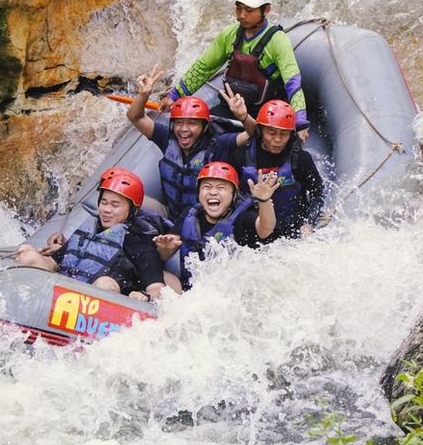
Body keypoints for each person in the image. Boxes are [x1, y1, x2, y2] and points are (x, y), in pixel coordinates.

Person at [157, 0, 310, 144]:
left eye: (249, 10)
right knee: (202, 138)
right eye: (238, 8)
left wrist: (300, 121)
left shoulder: (278, 41)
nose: (242, 15)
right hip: (230, 108)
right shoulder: (229, 34)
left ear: (266, 10)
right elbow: (203, 68)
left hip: (264, 113)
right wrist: (175, 95)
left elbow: (292, 82)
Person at [127, 64, 257, 222]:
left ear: (204, 127)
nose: (184, 129)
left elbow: (253, 133)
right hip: (171, 215)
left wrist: (243, 116)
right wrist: (143, 95)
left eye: (192, 123)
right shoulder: (166, 138)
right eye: (179, 123)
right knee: (124, 198)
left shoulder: (219, 144)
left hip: (203, 220)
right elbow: (135, 117)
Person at [15, 168, 166, 302]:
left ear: (133, 210)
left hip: (96, 312)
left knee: (105, 284)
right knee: (27, 256)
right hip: (61, 297)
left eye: (115, 205)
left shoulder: (140, 247)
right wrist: (33, 255)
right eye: (104, 202)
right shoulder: (88, 231)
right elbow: (54, 263)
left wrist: (144, 296)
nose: (107, 209)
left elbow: (157, 289)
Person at [154, 162, 280, 290]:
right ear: (199, 193)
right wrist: (165, 249)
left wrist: (264, 201)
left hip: (230, 292)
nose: (213, 192)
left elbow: (265, 229)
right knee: (158, 276)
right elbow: (166, 252)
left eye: (221, 187)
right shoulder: (190, 214)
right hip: (192, 289)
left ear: (233, 195)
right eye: (207, 187)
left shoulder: (243, 218)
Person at [229, 100, 324, 240]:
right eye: (271, 133)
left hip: (292, 229)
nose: (278, 140)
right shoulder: (240, 157)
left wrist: (309, 222)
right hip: (254, 230)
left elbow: (318, 193)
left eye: (284, 134)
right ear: (260, 130)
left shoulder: (301, 159)